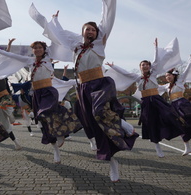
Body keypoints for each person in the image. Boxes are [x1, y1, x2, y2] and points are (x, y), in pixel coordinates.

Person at [31, 0, 139, 182]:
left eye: (93, 29)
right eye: (87, 29)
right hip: (82, 87)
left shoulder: (100, 43)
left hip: (99, 84)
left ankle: (123, 124)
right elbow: (60, 36)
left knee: (99, 112)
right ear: (82, 32)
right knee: (93, 123)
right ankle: (112, 162)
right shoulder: (76, 47)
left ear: (97, 33)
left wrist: (108, 3)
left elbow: (108, 19)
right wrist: (53, 22)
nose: (90, 31)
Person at [0, 40, 82, 163]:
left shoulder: (48, 58)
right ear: (33, 50)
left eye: (40, 47)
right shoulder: (30, 61)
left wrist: (53, 22)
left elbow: (56, 41)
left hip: (49, 91)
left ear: (44, 49)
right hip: (37, 94)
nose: (37, 49)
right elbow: (15, 56)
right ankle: (56, 149)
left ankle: (63, 132)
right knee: (42, 120)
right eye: (35, 48)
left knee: (47, 111)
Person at [105, 38, 184, 158]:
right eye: (143, 65)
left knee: (168, 116)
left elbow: (156, 61)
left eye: (147, 64)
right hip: (146, 102)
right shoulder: (138, 78)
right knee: (151, 124)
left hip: (157, 100)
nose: (145, 66)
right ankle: (157, 147)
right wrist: (113, 66)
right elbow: (125, 73)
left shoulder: (153, 74)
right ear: (140, 67)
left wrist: (156, 48)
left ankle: (177, 129)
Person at [159, 58, 191, 156]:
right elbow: (156, 87)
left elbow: (186, 71)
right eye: (166, 76)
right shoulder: (166, 86)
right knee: (180, 126)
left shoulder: (180, 81)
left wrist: (189, 60)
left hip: (183, 104)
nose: (167, 77)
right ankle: (187, 147)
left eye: (169, 75)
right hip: (174, 107)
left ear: (174, 75)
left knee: (189, 121)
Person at [0, 55, 21, 150]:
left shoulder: (2, 72)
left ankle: (10, 115)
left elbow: (6, 59)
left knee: (7, 108)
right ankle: (16, 143)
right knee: (5, 124)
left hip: (5, 96)